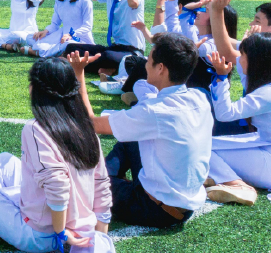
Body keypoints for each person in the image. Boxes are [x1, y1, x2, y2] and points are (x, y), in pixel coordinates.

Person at [0, 58, 112, 253]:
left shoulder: (35, 128)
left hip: (39, 236)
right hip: (72, 226)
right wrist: (100, 236)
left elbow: (58, 184)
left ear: (38, 90)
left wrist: (61, 234)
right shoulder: (87, 127)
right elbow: (101, 183)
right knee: (3, 161)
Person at [71, 34, 212, 228]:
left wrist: (79, 73)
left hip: (155, 209)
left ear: (161, 68)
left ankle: (101, 180)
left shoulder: (154, 112)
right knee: (131, 137)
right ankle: (109, 177)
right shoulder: (199, 98)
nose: (145, 64)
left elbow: (91, 123)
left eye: (150, 60)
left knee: (83, 185)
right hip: (183, 203)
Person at [204, 35, 271, 206]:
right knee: (208, 143)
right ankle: (213, 176)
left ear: (257, 60)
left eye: (243, 55)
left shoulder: (270, 93)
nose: (239, 60)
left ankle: (237, 185)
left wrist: (221, 78)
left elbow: (225, 114)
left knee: (201, 146)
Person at [63, 0, 145, 74]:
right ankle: (108, 69)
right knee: (71, 47)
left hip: (132, 52)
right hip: (115, 47)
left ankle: (75, 64)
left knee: (107, 56)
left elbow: (133, 3)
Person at [26, 0, 93, 58]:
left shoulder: (85, 0)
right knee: (31, 38)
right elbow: (55, 23)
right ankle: (57, 54)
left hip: (78, 38)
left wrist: (71, 34)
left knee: (69, 45)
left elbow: (87, 26)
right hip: (62, 35)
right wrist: (46, 31)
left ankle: (38, 52)